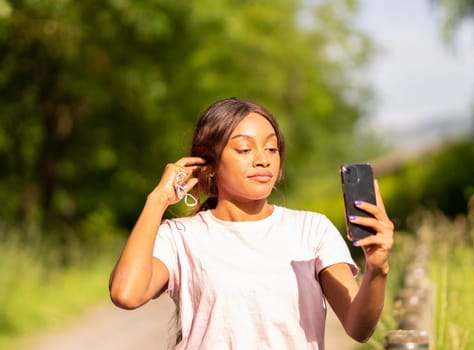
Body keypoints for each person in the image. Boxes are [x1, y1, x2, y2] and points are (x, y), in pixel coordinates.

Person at [109, 97, 394, 349]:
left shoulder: (312, 230)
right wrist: (157, 200)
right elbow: (126, 293)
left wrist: (377, 269)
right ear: (209, 163)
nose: (262, 160)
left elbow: (359, 328)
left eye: (271, 149)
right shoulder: (180, 237)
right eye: (245, 149)